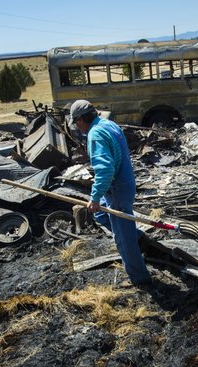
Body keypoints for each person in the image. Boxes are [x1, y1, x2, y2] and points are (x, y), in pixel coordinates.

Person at [69, 99, 152, 285]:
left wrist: (95, 197)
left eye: (76, 122)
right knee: (101, 215)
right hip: (124, 182)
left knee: (122, 237)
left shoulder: (96, 134)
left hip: (117, 188)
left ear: (81, 119)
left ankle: (140, 279)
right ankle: (137, 237)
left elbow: (105, 170)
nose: (76, 126)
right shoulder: (108, 124)